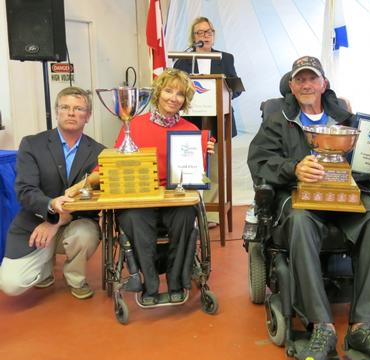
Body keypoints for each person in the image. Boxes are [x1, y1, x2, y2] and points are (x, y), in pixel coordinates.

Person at [247, 56, 370, 360]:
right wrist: (294, 167)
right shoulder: (278, 120)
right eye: (300, 79)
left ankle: (364, 327)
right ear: (291, 86)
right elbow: (260, 162)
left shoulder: (348, 120)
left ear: (323, 84)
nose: (306, 85)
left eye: (312, 79)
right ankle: (321, 326)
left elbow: (369, 167)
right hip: (299, 198)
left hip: (344, 197)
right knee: (301, 220)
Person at [69, 68, 214, 306]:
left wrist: (203, 156)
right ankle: (150, 282)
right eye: (168, 90)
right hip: (140, 196)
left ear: (185, 100)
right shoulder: (134, 126)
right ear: (158, 93)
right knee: (133, 218)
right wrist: (79, 186)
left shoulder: (190, 131)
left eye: (179, 94)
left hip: (173, 197)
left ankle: (177, 280)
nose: (172, 98)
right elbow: (110, 166)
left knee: (187, 215)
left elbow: (195, 174)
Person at [0, 87, 104, 300]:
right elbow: (25, 190)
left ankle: (75, 278)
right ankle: (44, 268)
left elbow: (97, 199)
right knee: (11, 285)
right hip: (34, 222)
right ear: (57, 112)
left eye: (78, 108)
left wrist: (56, 221)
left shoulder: (100, 152)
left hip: (76, 222)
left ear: (88, 116)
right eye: (65, 107)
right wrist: (50, 208)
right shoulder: (31, 144)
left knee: (84, 235)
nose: (71, 113)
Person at [174, 16, 242, 227]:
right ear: (193, 38)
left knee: (214, 171)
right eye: (200, 33)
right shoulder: (182, 60)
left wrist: (220, 94)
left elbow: (234, 89)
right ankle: (189, 212)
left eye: (208, 32)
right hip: (191, 121)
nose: (205, 36)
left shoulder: (225, 58)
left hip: (218, 121)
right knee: (190, 167)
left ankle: (211, 214)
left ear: (213, 34)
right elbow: (177, 89)